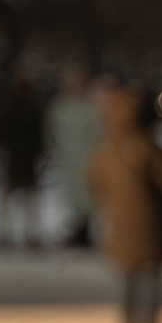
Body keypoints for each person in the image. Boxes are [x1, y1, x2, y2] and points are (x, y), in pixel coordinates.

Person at [87, 83, 162, 323]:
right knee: (150, 278)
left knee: (126, 279)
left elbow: (94, 181)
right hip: (151, 224)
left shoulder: (106, 149)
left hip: (118, 223)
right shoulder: (147, 147)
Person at [44, 64, 101, 248]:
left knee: (86, 193)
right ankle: (79, 228)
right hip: (69, 157)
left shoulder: (89, 106)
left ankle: (84, 230)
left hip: (87, 156)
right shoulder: (59, 106)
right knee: (74, 194)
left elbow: (98, 130)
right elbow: (51, 130)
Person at [0, 69, 48, 246]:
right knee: (29, 200)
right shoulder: (34, 110)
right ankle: (31, 233)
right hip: (28, 159)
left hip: (13, 158)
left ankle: (3, 233)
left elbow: (0, 135)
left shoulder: (7, 109)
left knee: (7, 199)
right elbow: (40, 136)